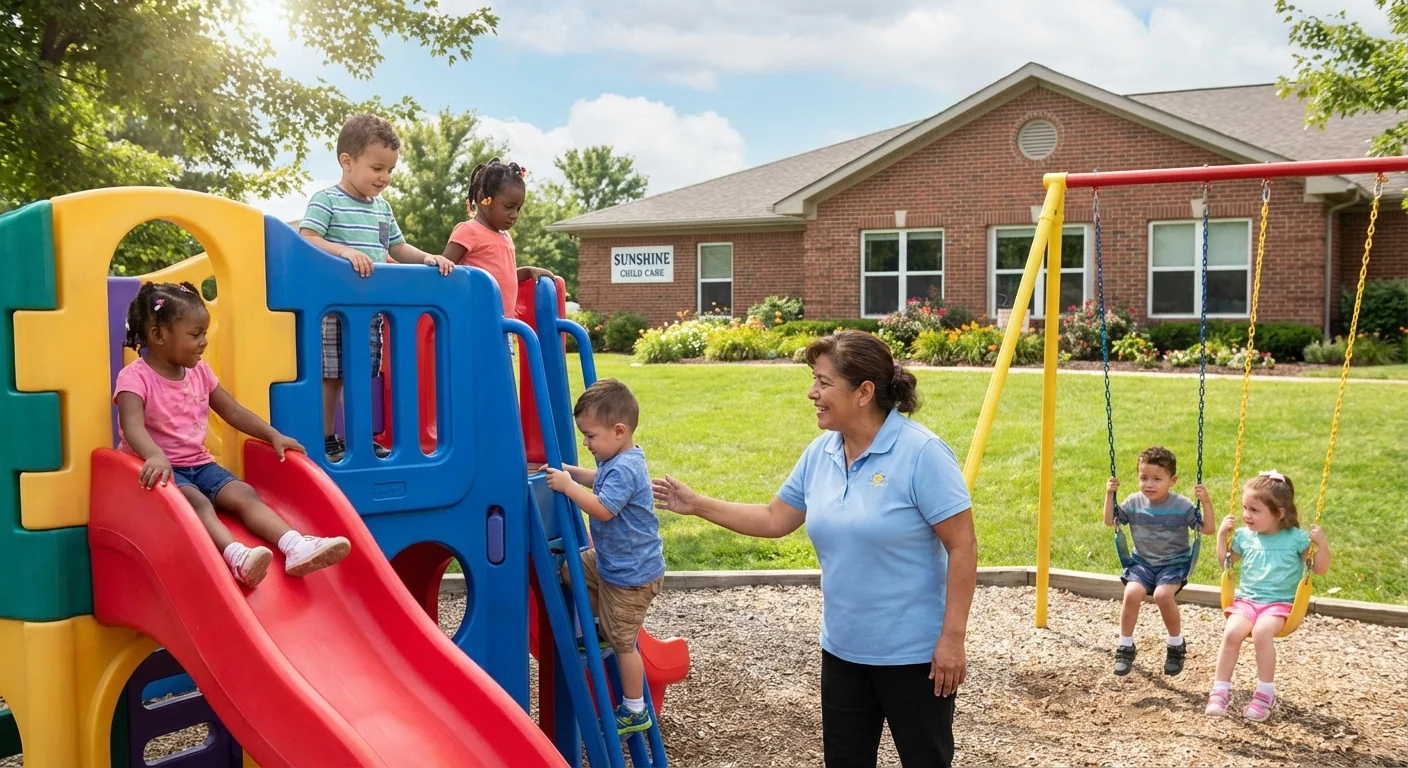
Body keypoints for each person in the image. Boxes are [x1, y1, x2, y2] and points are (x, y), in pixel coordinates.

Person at [653, 331, 976, 768]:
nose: (812, 393)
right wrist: (696, 505)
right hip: (842, 651)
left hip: (915, 659)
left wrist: (952, 640)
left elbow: (962, 545)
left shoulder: (921, 454)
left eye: (823, 383)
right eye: (814, 380)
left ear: (864, 392)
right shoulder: (821, 451)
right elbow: (774, 519)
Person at [115, 282, 351, 588]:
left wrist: (272, 435)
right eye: (195, 334)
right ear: (159, 335)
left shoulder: (200, 372)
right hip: (157, 470)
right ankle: (236, 556)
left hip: (198, 463)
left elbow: (234, 412)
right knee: (197, 502)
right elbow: (132, 425)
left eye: (203, 334)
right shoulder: (135, 378)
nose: (202, 342)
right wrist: (155, 455)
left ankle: (294, 546)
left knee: (244, 494)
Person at [298, 113, 455, 462]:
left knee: (362, 376)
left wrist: (428, 257)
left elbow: (397, 248)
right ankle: (325, 438)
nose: (384, 178)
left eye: (390, 170)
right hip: (334, 310)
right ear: (347, 161)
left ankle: (358, 438)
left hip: (369, 313)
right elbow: (307, 238)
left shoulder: (382, 208)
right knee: (332, 376)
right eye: (377, 168)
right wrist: (345, 252)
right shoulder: (328, 200)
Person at [542, 379, 664, 735]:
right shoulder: (618, 459)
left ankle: (635, 709)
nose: (586, 442)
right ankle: (599, 629)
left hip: (633, 577)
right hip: (613, 563)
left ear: (619, 431)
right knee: (572, 570)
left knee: (625, 643)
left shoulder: (626, 466)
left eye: (590, 436)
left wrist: (569, 487)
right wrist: (570, 471)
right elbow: (599, 479)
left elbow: (604, 508)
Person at [1206, 470, 1330, 721]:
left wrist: (1322, 544)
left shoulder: (1296, 539)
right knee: (1231, 632)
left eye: (1254, 510)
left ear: (1279, 513)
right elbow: (1226, 563)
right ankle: (1220, 691)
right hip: (1248, 601)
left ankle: (1264, 694)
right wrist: (1221, 536)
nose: (1246, 515)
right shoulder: (1244, 537)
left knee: (1262, 632)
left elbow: (1318, 568)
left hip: (1279, 605)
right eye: (1245, 508)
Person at [1104, 446, 1214, 677]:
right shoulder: (1134, 502)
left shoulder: (1182, 505)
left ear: (1172, 481)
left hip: (1174, 564)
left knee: (1162, 596)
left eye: (1157, 479)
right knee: (1131, 593)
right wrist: (1109, 494)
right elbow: (1109, 521)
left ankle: (1175, 645)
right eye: (1143, 478)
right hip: (1142, 563)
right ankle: (1125, 646)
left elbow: (1209, 530)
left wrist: (1206, 502)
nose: (1149, 484)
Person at [442, 158, 554, 320]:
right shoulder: (468, 231)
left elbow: (503, 278)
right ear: (485, 200)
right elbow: (444, 270)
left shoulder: (505, 237)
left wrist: (528, 271)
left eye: (518, 208)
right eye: (508, 207)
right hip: (473, 323)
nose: (514, 215)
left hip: (503, 323)